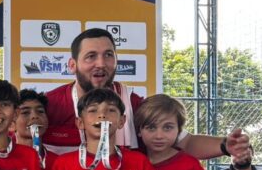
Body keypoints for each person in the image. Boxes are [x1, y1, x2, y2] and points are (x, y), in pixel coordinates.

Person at [42, 28, 249, 160]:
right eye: (91, 57)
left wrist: (225, 145)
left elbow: (184, 142)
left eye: (108, 55)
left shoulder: (132, 103)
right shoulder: (49, 106)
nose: (101, 63)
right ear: (72, 65)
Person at [13, 88, 56, 170]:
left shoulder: (58, 162)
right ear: (11, 123)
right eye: (25, 112)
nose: (34, 116)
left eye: (40, 111)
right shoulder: (5, 160)